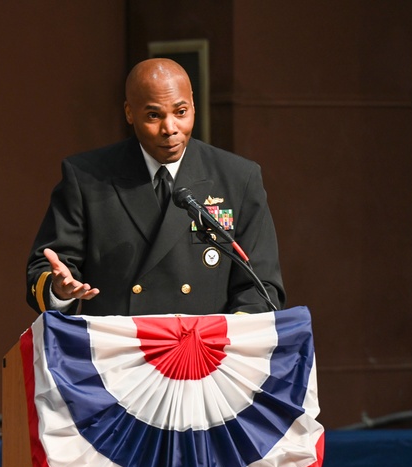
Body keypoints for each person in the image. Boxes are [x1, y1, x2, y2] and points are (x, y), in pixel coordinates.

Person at [26, 58, 284, 316]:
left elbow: (261, 284)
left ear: (193, 104)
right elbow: (48, 268)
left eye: (181, 112)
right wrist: (59, 291)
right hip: (120, 350)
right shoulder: (86, 177)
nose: (170, 129)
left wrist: (229, 337)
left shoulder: (238, 177)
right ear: (129, 113)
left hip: (206, 349)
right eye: (153, 115)